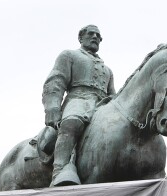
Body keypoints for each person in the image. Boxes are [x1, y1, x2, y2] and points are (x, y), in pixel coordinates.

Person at [42, 24, 115, 187]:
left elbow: (113, 95)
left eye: (98, 36)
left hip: (102, 105)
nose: (96, 37)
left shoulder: (108, 70)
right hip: (78, 99)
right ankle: (59, 171)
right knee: (72, 122)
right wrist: (53, 108)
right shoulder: (69, 55)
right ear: (81, 37)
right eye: (91, 34)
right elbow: (56, 81)